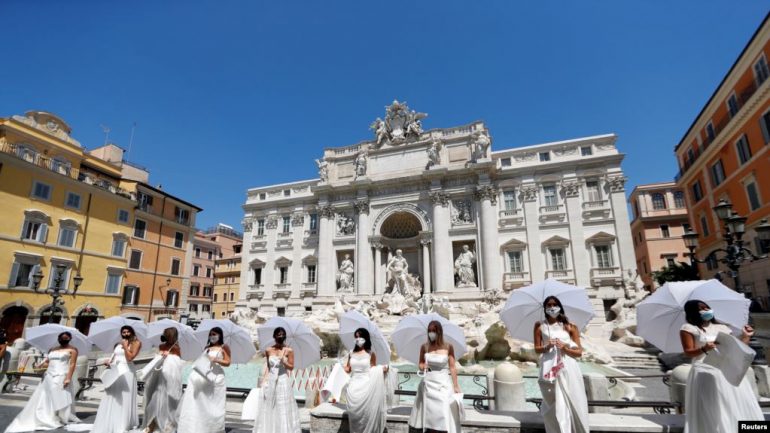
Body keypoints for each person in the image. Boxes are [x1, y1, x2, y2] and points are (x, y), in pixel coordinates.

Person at [680, 299, 762, 432]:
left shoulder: (722, 328)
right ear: (693, 312)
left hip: (726, 369)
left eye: (707, 307)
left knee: (735, 404)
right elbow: (688, 352)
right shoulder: (688, 328)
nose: (707, 310)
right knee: (712, 408)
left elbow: (736, 348)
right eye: (702, 308)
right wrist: (704, 349)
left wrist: (746, 336)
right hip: (704, 371)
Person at [533, 296, 589, 433]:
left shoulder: (570, 326)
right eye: (549, 305)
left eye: (555, 304)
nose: (552, 307)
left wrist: (565, 348)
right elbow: (536, 349)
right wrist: (546, 346)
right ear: (545, 308)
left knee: (573, 399)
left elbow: (579, 352)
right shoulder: (539, 325)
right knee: (551, 403)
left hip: (568, 366)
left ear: (560, 306)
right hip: (548, 366)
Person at [4, 332, 78, 432]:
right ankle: (46, 414)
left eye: (66, 338)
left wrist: (68, 377)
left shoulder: (72, 350)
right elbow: (47, 362)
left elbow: (72, 364)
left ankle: (60, 415)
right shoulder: (53, 349)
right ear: (58, 338)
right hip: (49, 375)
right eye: (62, 337)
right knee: (46, 395)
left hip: (61, 375)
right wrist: (40, 365)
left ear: (70, 338)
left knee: (59, 395)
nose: (63, 339)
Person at [408, 321, 462, 433]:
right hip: (428, 382)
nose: (431, 333)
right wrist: (423, 367)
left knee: (442, 410)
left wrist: (456, 386)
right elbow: (420, 364)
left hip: (443, 382)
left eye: (433, 331)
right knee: (429, 411)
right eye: (429, 331)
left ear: (439, 332)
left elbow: (452, 367)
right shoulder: (425, 347)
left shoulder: (448, 346)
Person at [178, 327, 231, 433]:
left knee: (215, 402)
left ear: (219, 335)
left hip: (217, 377)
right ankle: (202, 426)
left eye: (214, 334)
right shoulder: (207, 347)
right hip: (205, 376)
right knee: (203, 402)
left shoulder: (224, 347)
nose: (212, 336)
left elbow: (228, 362)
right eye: (210, 334)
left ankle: (214, 428)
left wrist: (216, 359)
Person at [92, 325, 142, 433]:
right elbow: (114, 357)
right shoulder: (118, 344)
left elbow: (130, 358)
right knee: (112, 395)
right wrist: (108, 361)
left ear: (132, 332)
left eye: (128, 332)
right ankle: (110, 420)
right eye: (123, 332)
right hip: (115, 370)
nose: (125, 334)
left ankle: (122, 423)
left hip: (127, 371)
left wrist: (125, 346)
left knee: (124, 397)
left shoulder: (136, 343)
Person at [254, 327, 300, 433]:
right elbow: (269, 368)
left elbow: (291, 367)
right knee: (270, 405)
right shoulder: (268, 350)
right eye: (278, 334)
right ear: (274, 336)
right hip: (271, 380)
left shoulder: (289, 350)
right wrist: (264, 382)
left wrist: (284, 361)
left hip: (283, 381)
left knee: (282, 406)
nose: (280, 336)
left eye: (282, 334)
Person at [343, 328, 390, 433]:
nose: (358, 339)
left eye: (360, 337)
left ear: (365, 338)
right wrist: (340, 367)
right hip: (353, 387)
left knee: (366, 414)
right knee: (354, 414)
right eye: (356, 337)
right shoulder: (351, 353)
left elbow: (373, 369)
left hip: (366, 386)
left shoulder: (371, 353)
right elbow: (348, 369)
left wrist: (382, 369)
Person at [140, 327, 184, 433]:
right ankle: (151, 423)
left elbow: (177, 364)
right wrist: (161, 356)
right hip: (159, 379)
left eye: (166, 333)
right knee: (154, 402)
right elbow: (157, 360)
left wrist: (169, 357)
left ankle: (168, 424)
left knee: (167, 403)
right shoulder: (162, 346)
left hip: (169, 380)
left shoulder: (176, 348)